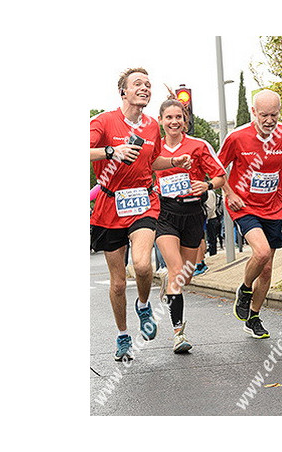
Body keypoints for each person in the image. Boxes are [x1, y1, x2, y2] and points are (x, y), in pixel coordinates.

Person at [90, 67, 191, 362]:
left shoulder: (150, 127)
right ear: (124, 91)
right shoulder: (103, 121)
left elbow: (153, 160)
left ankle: (144, 305)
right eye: (138, 84)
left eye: (148, 84)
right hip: (110, 205)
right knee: (118, 283)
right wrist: (112, 151)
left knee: (143, 265)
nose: (145, 87)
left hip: (143, 202)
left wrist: (175, 161)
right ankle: (123, 335)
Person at [218, 89, 282, 339]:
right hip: (244, 205)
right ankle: (245, 289)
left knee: (266, 269)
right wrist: (229, 193)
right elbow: (217, 168)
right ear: (253, 112)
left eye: (274, 115)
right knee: (262, 252)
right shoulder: (237, 137)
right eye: (264, 115)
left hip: (273, 207)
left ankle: (254, 316)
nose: (269, 120)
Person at [155, 99, 226, 353]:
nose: (174, 122)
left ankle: (168, 279)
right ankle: (178, 334)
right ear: (161, 120)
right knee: (177, 269)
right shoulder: (154, 148)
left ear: (185, 120)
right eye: (169, 117)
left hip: (193, 212)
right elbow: (141, 172)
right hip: (165, 213)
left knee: (184, 275)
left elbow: (220, 176)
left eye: (179, 117)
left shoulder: (198, 145)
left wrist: (207, 185)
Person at [204, 189, 220, 256]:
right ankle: (212, 252)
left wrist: (207, 217)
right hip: (211, 218)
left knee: (211, 238)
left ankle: (213, 253)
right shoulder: (211, 192)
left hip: (210, 218)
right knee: (211, 238)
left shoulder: (209, 193)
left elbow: (210, 207)